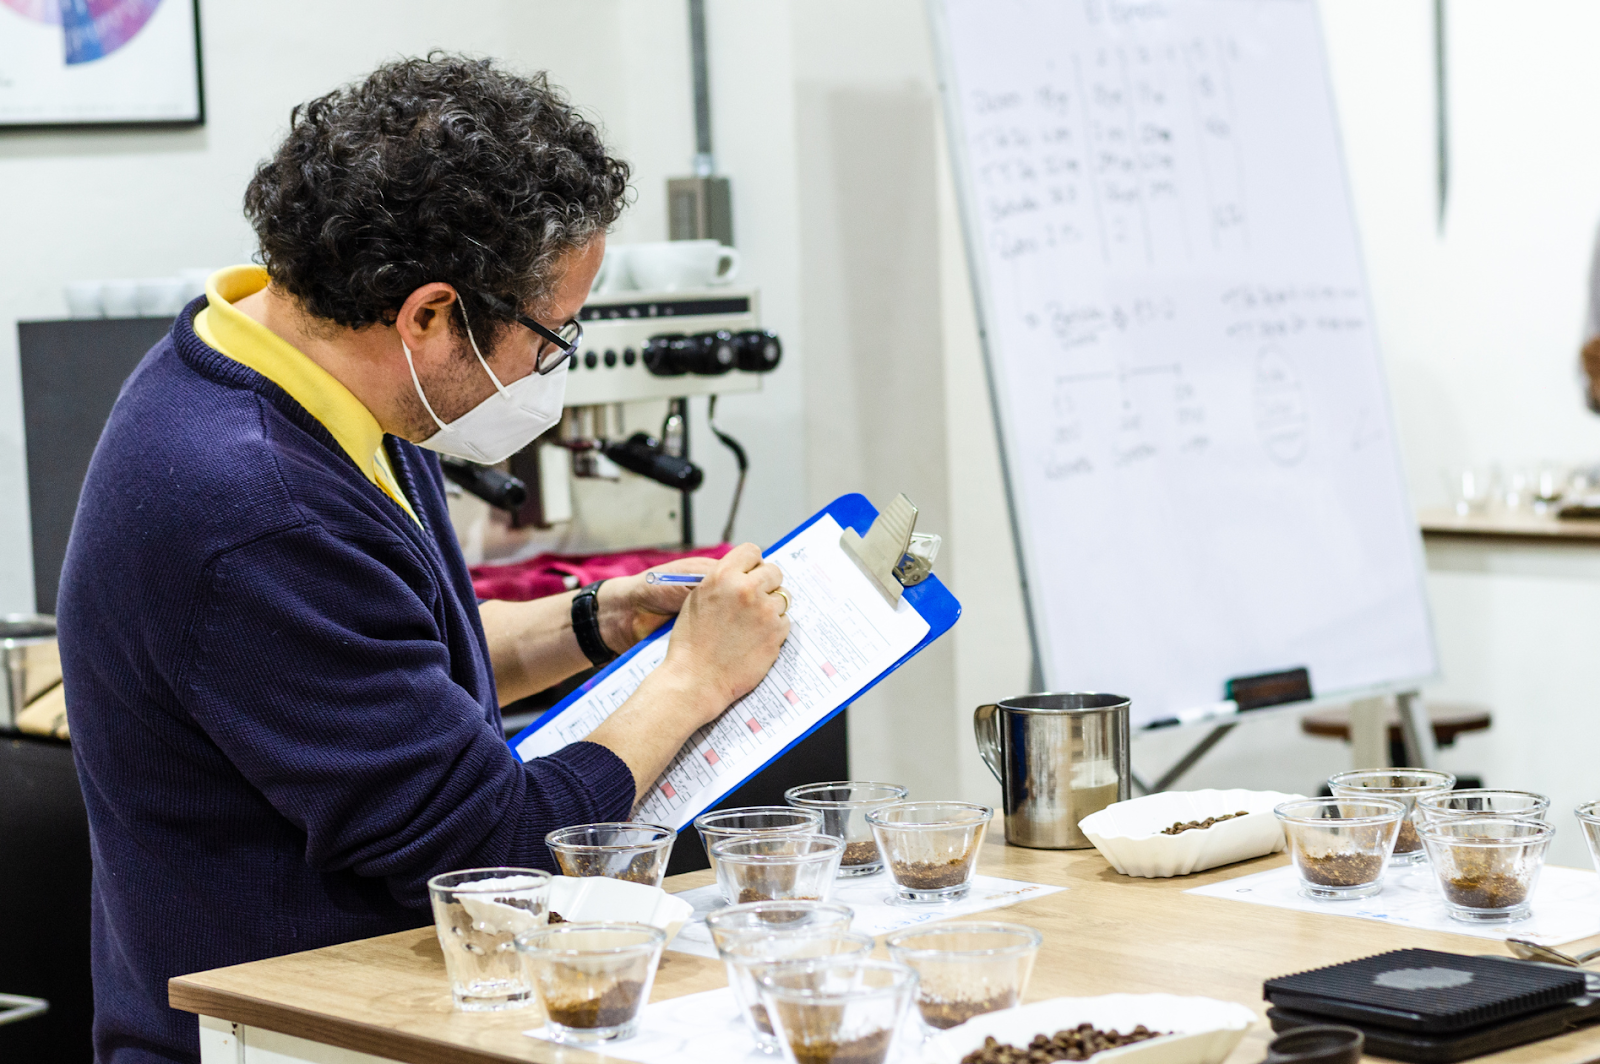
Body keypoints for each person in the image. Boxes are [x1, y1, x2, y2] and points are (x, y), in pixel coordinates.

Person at [57, 55, 790, 1064]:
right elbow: (489, 852)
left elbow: (389, 650)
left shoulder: (279, 370)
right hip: (272, 1036)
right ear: (430, 315)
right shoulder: (260, 508)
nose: (550, 365)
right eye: (553, 331)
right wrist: (693, 679)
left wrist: (594, 619)